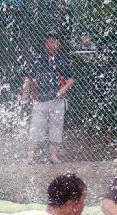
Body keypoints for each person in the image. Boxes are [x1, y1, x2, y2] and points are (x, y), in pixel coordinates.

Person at [22, 32, 75, 164]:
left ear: (57, 44)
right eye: (48, 42)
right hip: (40, 101)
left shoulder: (63, 60)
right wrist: (25, 94)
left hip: (57, 101)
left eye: (53, 42)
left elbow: (71, 79)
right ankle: (30, 155)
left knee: (56, 127)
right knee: (35, 127)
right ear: (45, 43)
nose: (51, 44)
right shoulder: (37, 59)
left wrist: (64, 88)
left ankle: (53, 155)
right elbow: (28, 78)